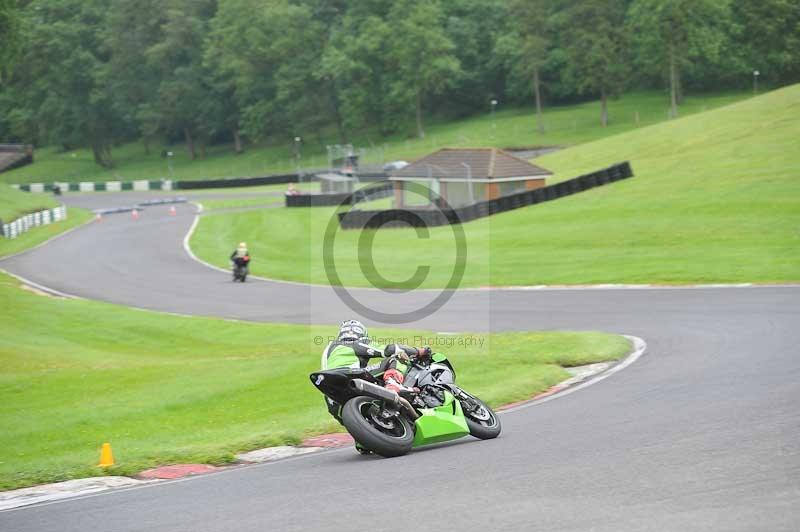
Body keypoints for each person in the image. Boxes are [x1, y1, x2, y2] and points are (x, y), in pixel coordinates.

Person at [321, 319, 431, 396]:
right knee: (394, 358)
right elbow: (389, 350)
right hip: (350, 375)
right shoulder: (356, 342)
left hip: (332, 391)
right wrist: (419, 351)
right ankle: (394, 384)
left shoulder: (328, 349)